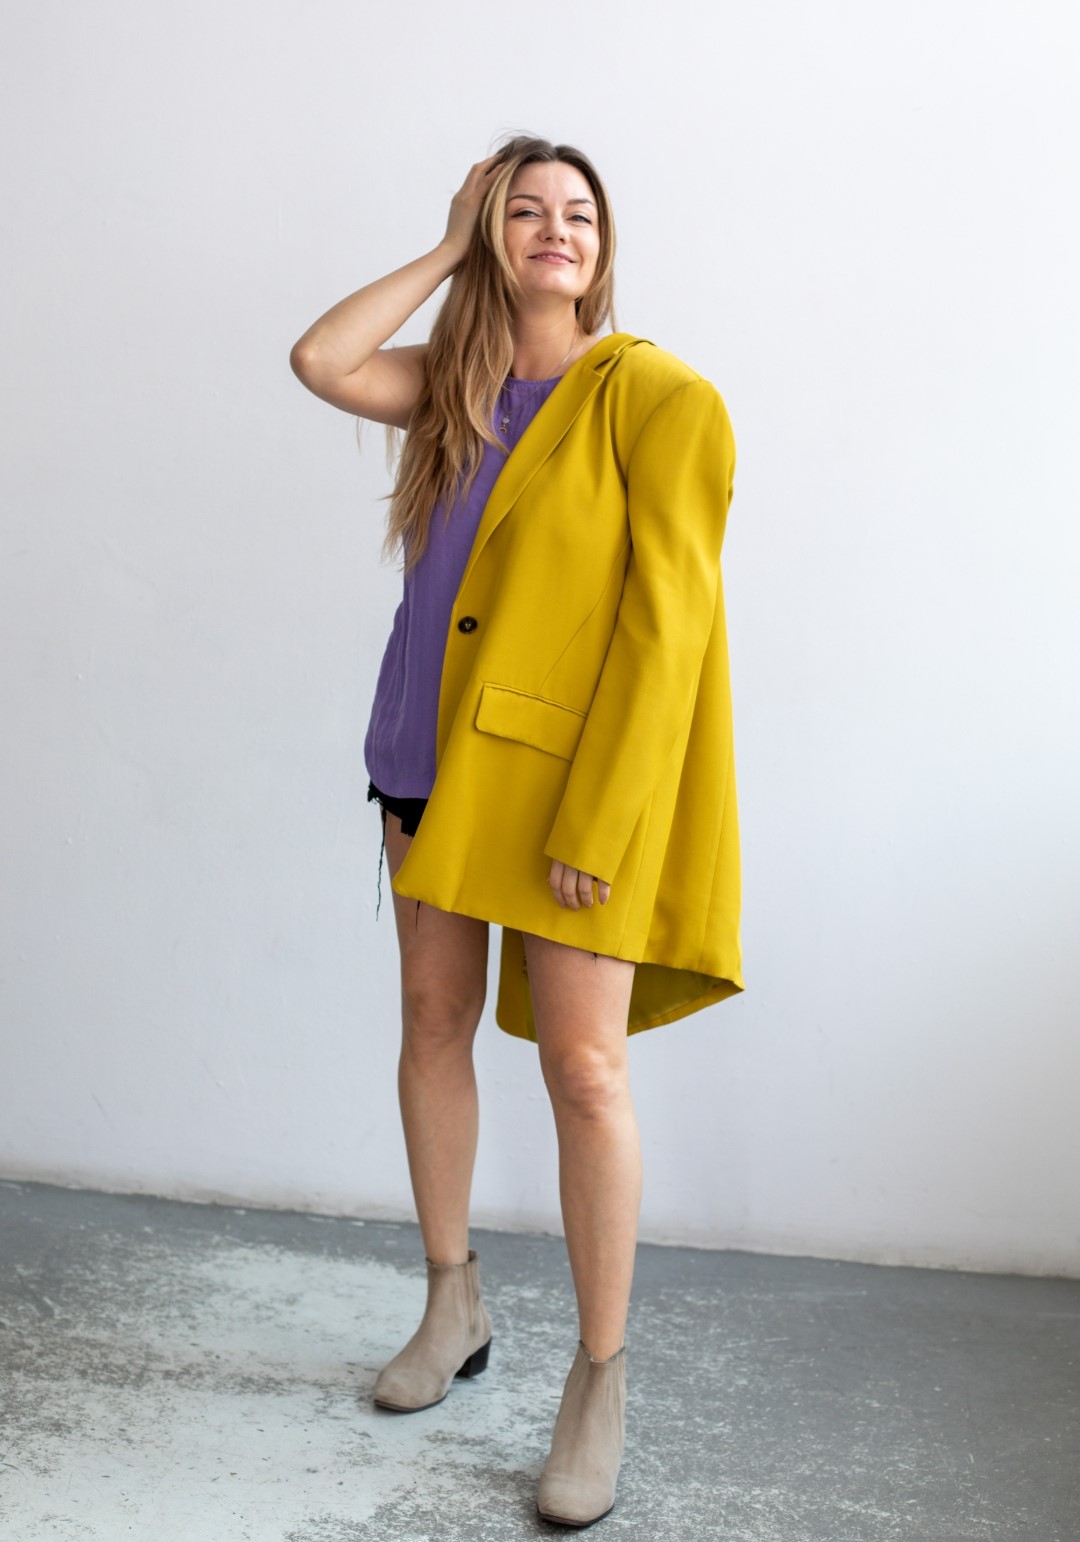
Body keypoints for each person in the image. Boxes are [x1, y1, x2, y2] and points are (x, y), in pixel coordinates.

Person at [289, 133, 742, 1529]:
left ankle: (599, 1379)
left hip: (565, 792)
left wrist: (604, 820)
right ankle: (453, 1304)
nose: (556, 229)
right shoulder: (457, 385)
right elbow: (320, 358)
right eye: (526, 210)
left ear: (605, 246)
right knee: (433, 1024)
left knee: (586, 1072)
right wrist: (445, 246)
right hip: (425, 763)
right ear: (495, 233)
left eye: (578, 213)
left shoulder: (656, 396)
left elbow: (670, 632)